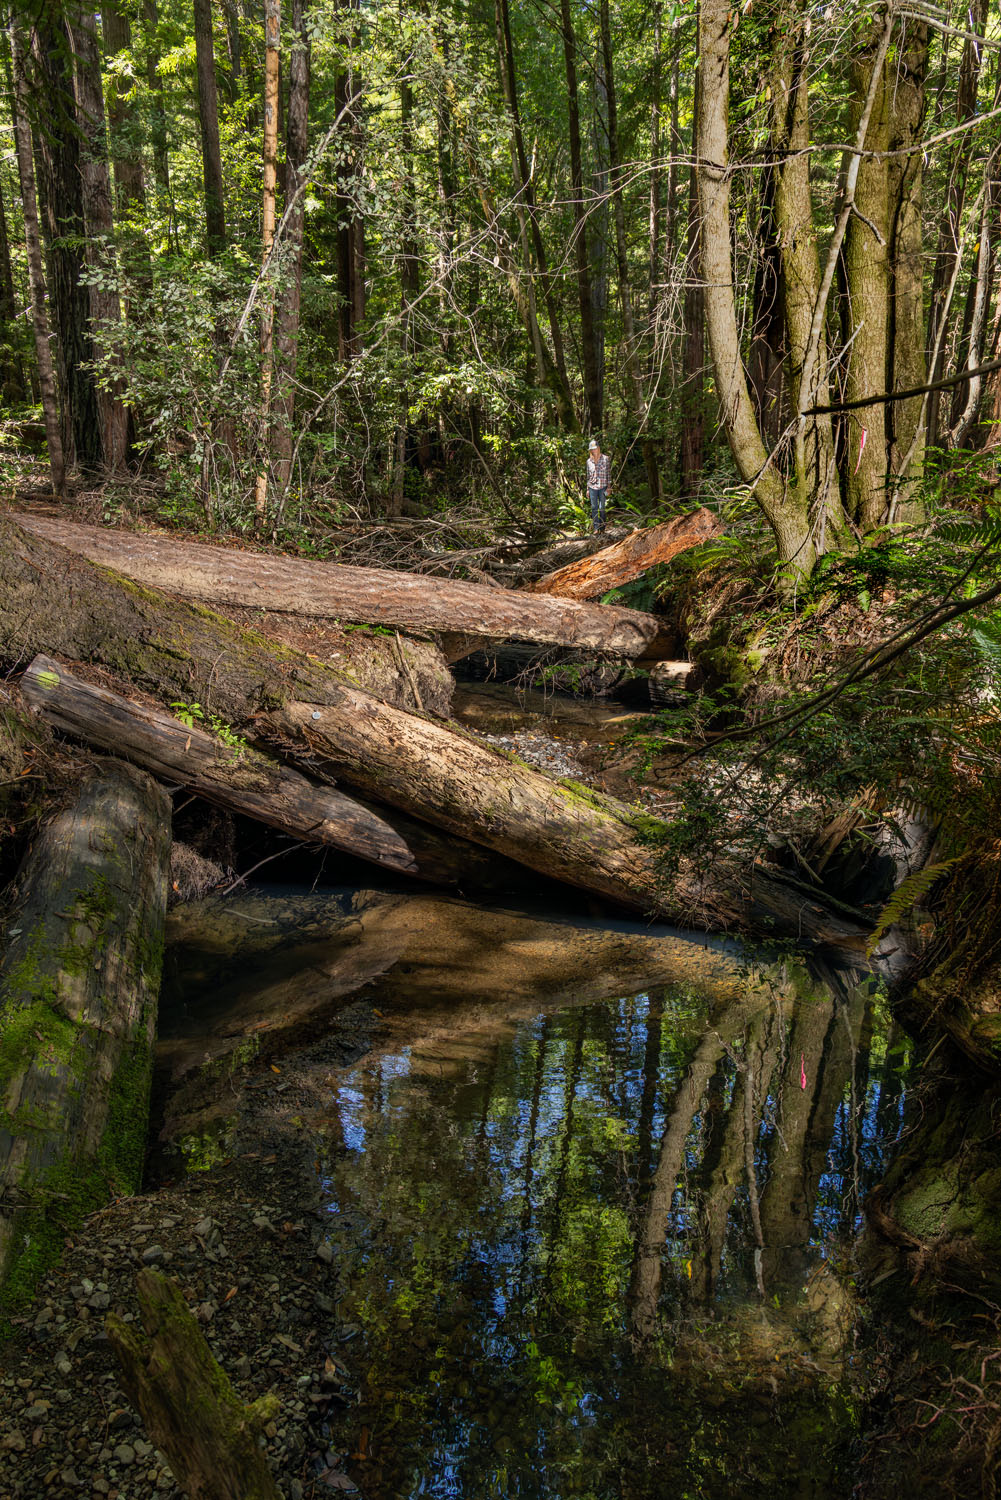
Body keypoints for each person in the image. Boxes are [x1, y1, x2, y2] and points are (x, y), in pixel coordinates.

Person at [586, 439, 611, 534]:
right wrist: (587, 489)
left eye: (595, 449)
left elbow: (609, 474)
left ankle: (602, 527)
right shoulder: (588, 461)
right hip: (592, 487)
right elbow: (588, 476)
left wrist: (609, 487)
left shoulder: (605, 459)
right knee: (594, 507)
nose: (593, 451)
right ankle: (596, 528)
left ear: (598, 448)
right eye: (592, 449)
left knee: (602, 508)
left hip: (603, 486)